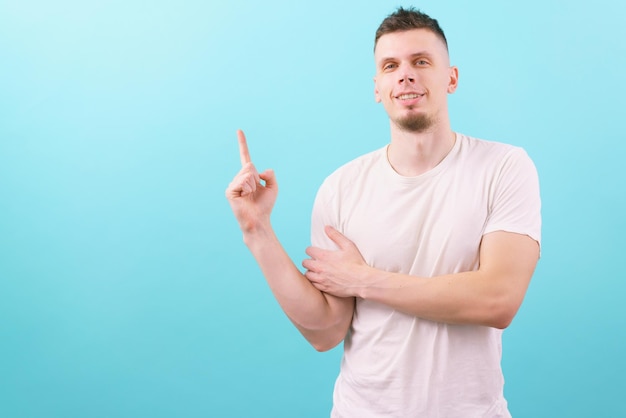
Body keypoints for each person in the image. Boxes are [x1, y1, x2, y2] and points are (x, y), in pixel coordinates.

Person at [225, 7, 541, 418]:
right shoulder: (341, 187)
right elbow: (326, 330)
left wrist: (366, 280)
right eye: (390, 66)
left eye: (421, 62)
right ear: (377, 87)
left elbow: (498, 300)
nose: (405, 75)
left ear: (452, 78)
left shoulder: (504, 167)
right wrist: (256, 230)